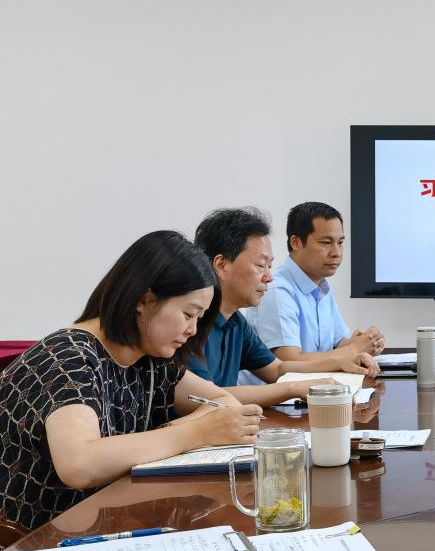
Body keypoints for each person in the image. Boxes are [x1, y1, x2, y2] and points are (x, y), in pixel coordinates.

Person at [0, 231, 262, 530]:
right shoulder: (68, 358)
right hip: (29, 541)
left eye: (199, 319)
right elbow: (79, 464)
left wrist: (182, 431)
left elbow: (224, 402)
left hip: (97, 524)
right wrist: (196, 433)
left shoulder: (149, 359)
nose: (192, 330)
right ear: (144, 300)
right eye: (189, 314)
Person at [190, 208, 378, 407]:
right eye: (260, 265)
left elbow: (277, 370)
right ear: (221, 265)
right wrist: (293, 388)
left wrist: (340, 362)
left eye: (269, 266)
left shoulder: (236, 321)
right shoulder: (192, 325)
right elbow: (204, 397)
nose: (269, 277)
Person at [247, 201, 385, 365]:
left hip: (319, 381)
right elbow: (289, 361)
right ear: (296, 243)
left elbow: (336, 344)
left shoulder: (322, 286)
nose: (336, 253)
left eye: (340, 243)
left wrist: (363, 344)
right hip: (286, 382)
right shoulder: (276, 290)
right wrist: (354, 349)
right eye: (326, 243)